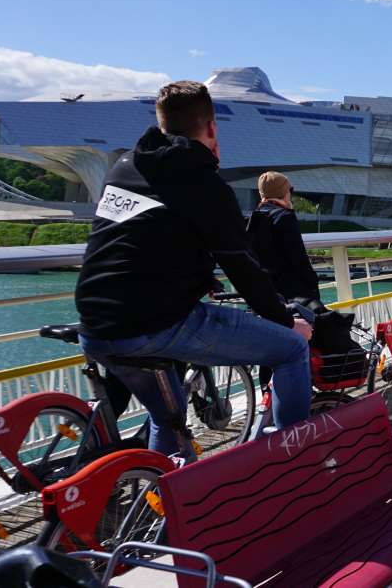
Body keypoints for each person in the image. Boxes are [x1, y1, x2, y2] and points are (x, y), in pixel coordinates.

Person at [75, 81, 313, 459]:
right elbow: (243, 265)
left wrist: (201, 275)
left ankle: (164, 494)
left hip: (94, 321)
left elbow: (144, 239)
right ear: (213, 127)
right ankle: (289, 463)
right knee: (291, 349)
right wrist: (286, 322)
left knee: (166, 416)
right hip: (154, 324)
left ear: (162, 122)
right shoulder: (204, 182)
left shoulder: (125, 165)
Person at [246, 171, 321, 302]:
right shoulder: (285, 217)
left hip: (264, 293)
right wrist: (313, 282)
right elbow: (299, 258)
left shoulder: (254, 217)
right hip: (291, 294)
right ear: (284, 192)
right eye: (290, 189)